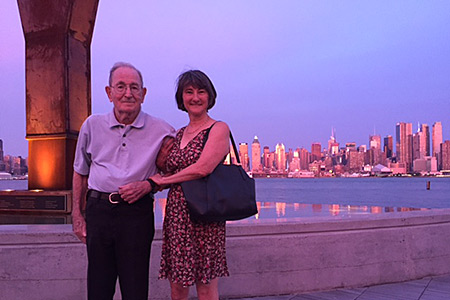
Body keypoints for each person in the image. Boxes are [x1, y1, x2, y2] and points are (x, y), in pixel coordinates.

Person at [71, 62, 175, 300]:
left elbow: (181, 169)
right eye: (121, 87)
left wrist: (150, 184)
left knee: (135, 289)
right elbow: (80, 172)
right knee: (98, 288)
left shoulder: (162, 130)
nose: (128, 93)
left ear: (143, 94)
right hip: (99, 211)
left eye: (134, 87)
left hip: (136, 215)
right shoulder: (92, 125)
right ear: (109, 93)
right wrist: (77, 216)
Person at [150, 70, 230, 300]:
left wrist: (164, 182)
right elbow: (166, 167)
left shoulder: (218, 128)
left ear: (210, 96)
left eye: (201, 91)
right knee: (177, 287)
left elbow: (202, 168)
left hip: (205, 214)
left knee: (205, 287)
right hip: (177, 216)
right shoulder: (177, 134)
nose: (195, 97)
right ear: (181, 98)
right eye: (189, 92)